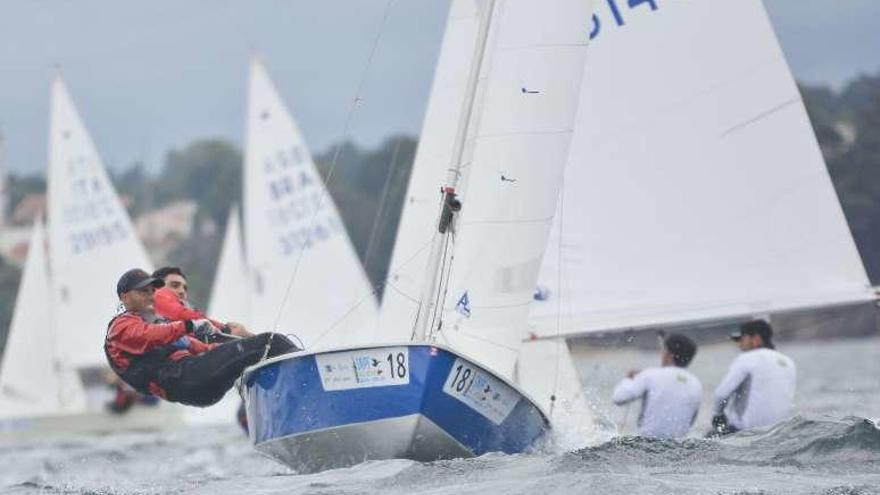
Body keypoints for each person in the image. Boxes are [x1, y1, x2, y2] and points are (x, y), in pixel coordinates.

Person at [104, 268, 297, 407]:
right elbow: (148, 336)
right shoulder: (120, 327)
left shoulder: (152, 321)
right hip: (184, 379)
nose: (150, 296)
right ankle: (313, 380)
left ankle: (287, 401)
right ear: (124, 297)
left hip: (199, 388)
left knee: (257, 352)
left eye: (152, 291)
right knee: (271, 341)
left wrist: (232, 347)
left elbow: (195, 347)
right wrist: (189, 325)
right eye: (142, 291)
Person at [710, 320, 796, 436]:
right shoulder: (788, 362)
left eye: (742, 339)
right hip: (779, 432)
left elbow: (722, 394)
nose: (739, 344)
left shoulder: (747, 358)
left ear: (756, 338)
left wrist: (717, 415)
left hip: (746, 433)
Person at [612, 333, 702, 439]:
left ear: (669, 355)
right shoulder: (696, 384)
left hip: (646, 445)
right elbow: (691, 421)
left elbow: (618, 398)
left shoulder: (649, 374)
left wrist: (628, 379)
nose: (662, 354)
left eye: (663, 350)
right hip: (678, 447)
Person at [152, 266, 252, 338]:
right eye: (175, 285)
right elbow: (183, 315)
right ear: (156, 287)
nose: (182, 291)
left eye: (185, 288)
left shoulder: (188, 313)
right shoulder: (156, 298)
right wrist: (227, 330)